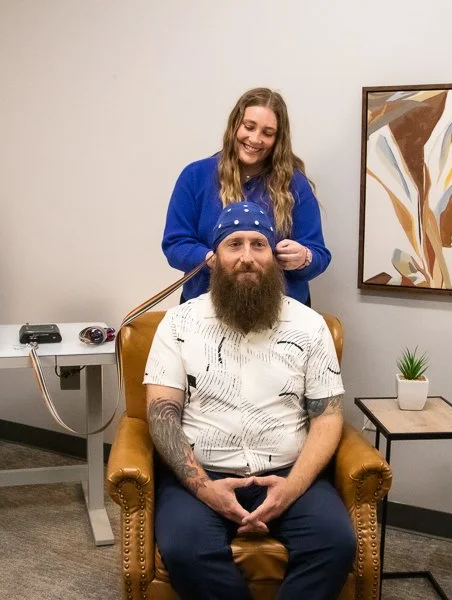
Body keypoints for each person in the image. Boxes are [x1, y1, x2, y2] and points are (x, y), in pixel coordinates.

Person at [144, 202, 355, 600]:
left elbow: (327, 418)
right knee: (185, 548)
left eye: (258, 244)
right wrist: (205, 488)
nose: (246, 257)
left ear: (274, 257)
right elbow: (161, 414)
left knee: (335, 543)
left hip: (290, 473)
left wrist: (291, 489)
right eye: (233, 245)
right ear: (215, 257)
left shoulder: (310, 325)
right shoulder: (178, 324)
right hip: (202, 475)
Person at [162, 87, 331, 306]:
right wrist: (214, 259)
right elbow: (175, 244)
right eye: (249, 127)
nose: (255, 139)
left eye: (267, 133)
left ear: (278, 139)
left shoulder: (295, 184)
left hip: (281, 312)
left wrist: (303, 258)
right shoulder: (195, 177)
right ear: (235, 125)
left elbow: (319, 254)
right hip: (207, 309)